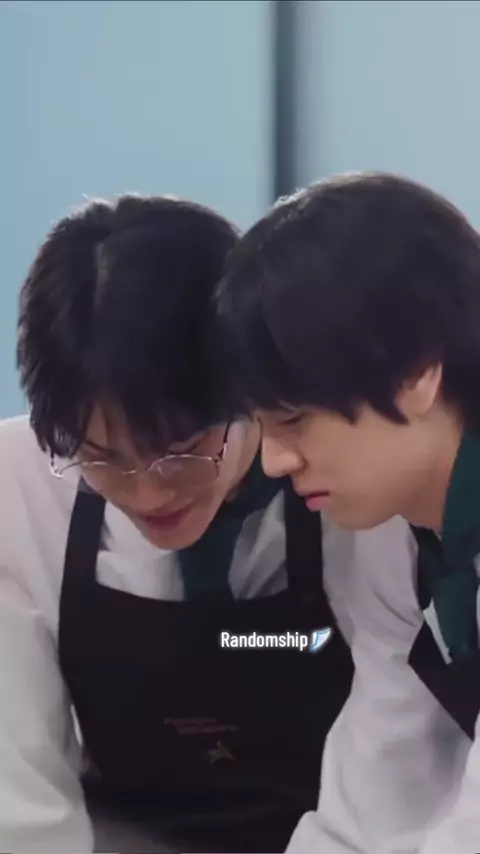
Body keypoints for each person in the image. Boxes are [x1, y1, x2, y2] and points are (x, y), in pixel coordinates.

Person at [0, 193, 367, 854]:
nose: (146, 492)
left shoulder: (356, 481)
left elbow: (405, 762)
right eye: (101, 457)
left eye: (181, 450)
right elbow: (20, 804)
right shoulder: (16, 486)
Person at [213, 172, 480, 854]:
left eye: (294, 420)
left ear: (417, 370)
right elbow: (374, 799)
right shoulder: (405, 537)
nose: (275, 461)